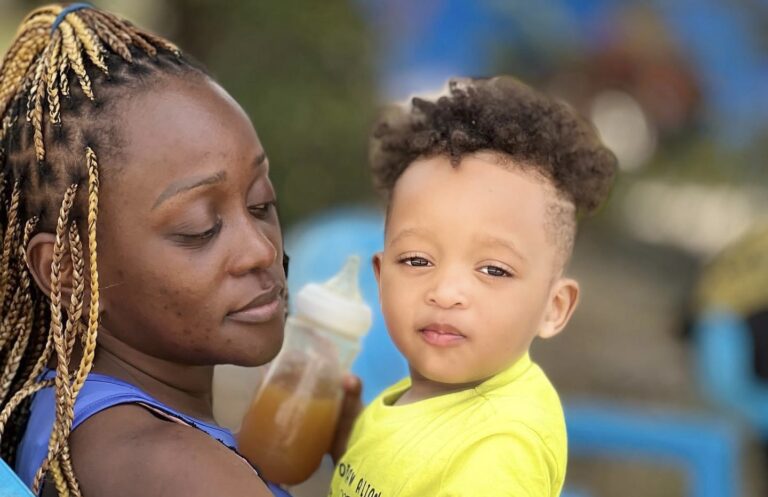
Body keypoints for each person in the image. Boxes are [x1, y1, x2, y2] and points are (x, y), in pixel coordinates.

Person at [0, 4, 359, 496]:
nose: (260, 251)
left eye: (261, 203)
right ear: (68, 271)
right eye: (199, 229)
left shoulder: (64, 412)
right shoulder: (179, 469)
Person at [330, 76, 617, 496]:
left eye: (494, 270)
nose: (445, 293)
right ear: (381, 276)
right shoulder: (417, 395)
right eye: (416, 260)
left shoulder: (502, 447)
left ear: (553, 308)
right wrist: (350, 442)